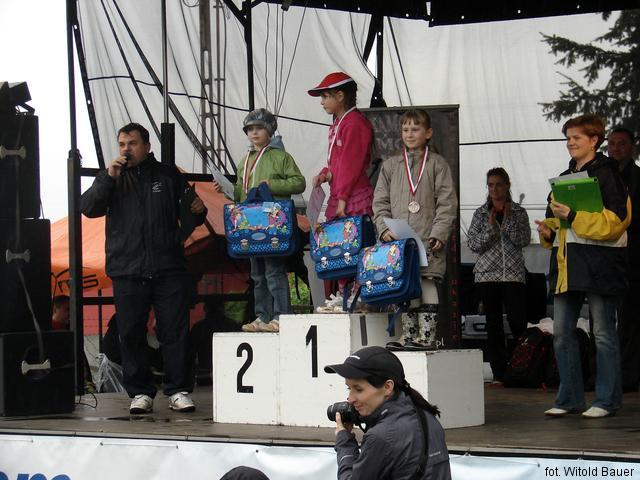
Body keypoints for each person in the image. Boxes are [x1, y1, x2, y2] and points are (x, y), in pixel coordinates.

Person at [80, 122, 207, 414]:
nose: (126, 149)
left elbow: (193, 212)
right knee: (131, 332)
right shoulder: (111, 177)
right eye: (122, 144)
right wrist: (108, 178)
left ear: (147, 146)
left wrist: (188, 225)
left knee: (174, 330)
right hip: (127, 268)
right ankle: (140, 393)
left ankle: (178, 390)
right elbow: (88, 208)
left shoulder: (167, 174)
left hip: (168, 267)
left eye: (132, 143)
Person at [535, 115, 630, 418]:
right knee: (562, 333)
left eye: (577, 137)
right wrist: (548, 230)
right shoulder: (563, 178)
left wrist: (574, 216)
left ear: (594, 140)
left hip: (600, 265)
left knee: (603, 334)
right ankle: (570, 399)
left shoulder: (610, 176)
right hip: (568, 266)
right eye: (568, 138)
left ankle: (606, 400)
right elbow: (557, 222)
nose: (571, 142)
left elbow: (617, 222)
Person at [372, 109, 458, 349]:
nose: (410, 134)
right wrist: (383, 228)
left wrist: (439, 233)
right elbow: (379, 202)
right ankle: (409, 335)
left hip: (428, 238)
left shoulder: (437, 164)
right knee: (406, 285)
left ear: (428, 133)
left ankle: (427, 337)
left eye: (415, 129)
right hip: (399, 240)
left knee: (427, 280)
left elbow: (447, 203)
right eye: (405, 129)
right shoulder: (391, 165)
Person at [214, 108, 305, 333]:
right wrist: (227, 190)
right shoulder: (244, 161)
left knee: (274, 271)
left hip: (273, 226)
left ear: (270, 131)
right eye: (250, 129)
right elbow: (241, 193)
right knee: (257, 275)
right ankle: (262, 316)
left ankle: (282, 316)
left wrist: (273, 185)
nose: (254, 133)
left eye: (259, 128)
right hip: (251, 226)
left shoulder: (281, 157)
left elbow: (299, 183)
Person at [325, 346, 451, 480]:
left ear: (387, 387)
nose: (350, 399)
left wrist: (345, 442)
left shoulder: (380, 436)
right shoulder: (426, 414)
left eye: (358, 389)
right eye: (349, 388)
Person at [308, 72, 375, 311]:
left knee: (354, 246)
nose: (322, 102)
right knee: (340, 248)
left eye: (325, 96)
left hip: (352, 197)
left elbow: (351, 164)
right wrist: (325, 174)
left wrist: (343, 199)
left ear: (340, 95)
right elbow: (338, 163)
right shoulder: (339, 123)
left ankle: (359, 296)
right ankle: (344, 295)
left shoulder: (355, 123)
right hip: (340, 195)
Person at [467, 167, 530, 383]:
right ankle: (499, 372)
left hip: (513, 275)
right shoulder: (480, 213)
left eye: (499, 184)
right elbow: (474, 244)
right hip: (487, 276)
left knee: (518, 322)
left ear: (507, 186)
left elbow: (523, 240)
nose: (494, 189)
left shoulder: (519, 212)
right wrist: (491, 228)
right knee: (493, 325)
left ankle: (522, 368)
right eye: (490, 185)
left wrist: (508, 221)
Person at [608, 127, 640, 392]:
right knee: (603, 320)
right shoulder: (601, 177)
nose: (616, 149)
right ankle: (603, 374)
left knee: (629, 318)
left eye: (622, 144)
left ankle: (629, 376)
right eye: (612, 144)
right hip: (605, 257)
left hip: (633, 257)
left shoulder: (637, 177)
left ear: (632, 147)